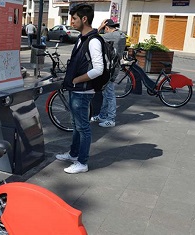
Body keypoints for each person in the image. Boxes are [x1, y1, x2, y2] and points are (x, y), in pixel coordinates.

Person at [55, 4, 104, 174]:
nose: (71, 21)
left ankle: (82, 162)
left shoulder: (94, 41)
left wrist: (77, 79)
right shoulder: (82, 38)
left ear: (84, 19)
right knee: (76, 125)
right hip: (76, 90)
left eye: (74, 18)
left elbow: (99, 69)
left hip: (83, 91)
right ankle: (74, 154)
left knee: (83, 127)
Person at [90, 19, 126, 128]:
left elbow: (92, 37)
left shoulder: (113, 35)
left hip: (111, 68)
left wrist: (99, 27)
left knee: (109, 94)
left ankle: (111, 119)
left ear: (107, 28)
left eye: (104, 29)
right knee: (106, 93)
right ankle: (102, 115)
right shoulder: (121, 34)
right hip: (114, 66)